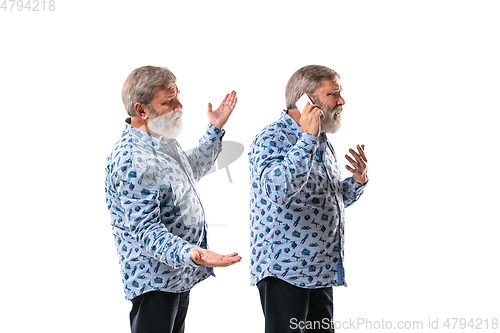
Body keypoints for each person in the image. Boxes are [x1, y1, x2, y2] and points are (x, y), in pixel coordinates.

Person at [105, 65, 241, 333]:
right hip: (154, 278)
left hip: (177, 272)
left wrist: (215, 129)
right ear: (141, 110)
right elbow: (146, 231)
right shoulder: (133, 159)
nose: (180, 105)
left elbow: (189, 172)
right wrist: (192, 253)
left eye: (178, 96)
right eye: (169, 102)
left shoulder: (161, 139)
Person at [248, 65, 369, 333]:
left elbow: (326, 201)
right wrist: (306, 139)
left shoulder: (321, 140)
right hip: (285, 272)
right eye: (333, 94)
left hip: (320, 271)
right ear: (306, 100)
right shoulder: (271, 138)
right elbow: (278, 189)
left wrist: (358, 182)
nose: (341, 101)